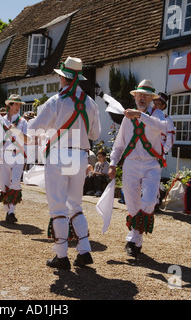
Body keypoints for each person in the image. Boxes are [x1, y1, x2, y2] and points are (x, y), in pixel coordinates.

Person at [28, 57, 101, 269]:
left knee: (58, 206)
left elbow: (34, 129)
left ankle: (61, 255)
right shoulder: (91, 103)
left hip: (59, 155)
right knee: (75, 204)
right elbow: (95, 133)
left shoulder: (55, 101)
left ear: (62, 77)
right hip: (80, 156)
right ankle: (84, 250)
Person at [108, 79, 167, 258]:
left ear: (151, 99)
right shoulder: (127, 120)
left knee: (149, 200)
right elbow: (119, 144)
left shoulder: (158, 116)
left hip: (151, 164)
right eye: (139, 95)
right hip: (131, 163)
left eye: (146, 96)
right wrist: (112, 163)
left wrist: (140, 116)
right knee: (132, 203)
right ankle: (134, 240)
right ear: (135, 97)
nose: (142, 98)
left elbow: (161, 128)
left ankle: (135, 238)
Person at [0, 94, 29, 223]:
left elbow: (27, 140)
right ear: (9, 105)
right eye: (16, 104)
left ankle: (12, 211)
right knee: (4, 185)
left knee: (15, 182)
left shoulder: (23, 122)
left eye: (19, 104)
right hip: (3, 156)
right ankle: (8, 210)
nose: (18, 107)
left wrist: (16, 131)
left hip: (18, 154)